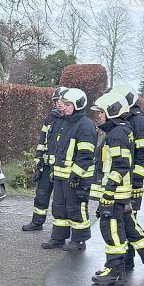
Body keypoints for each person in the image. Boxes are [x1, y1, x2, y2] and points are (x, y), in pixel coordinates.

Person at [110, 83, 144, 276]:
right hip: (121, 183)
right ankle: (127, 260)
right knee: (123, 223)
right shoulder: (122, 121)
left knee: (128, 222)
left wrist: (135, 179)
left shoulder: (138, 122)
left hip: (131, 184)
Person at [41, 88, 96, 251]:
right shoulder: (64, 122)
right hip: (60, 175)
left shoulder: (85, 126)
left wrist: (75, 176)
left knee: (76, 208)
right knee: (59, 207)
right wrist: (54, 170)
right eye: (62, 104)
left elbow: (85, 155)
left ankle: (79, 240)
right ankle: (58, 238)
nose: (62, 107)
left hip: (76, 178)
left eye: (67, 104)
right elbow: (58, 149)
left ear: (77, 105)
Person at [89, 93, 135, 286]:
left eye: (100, 112)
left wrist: (108, 191)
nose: (98, 116)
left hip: (115, 194)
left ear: (111, 112)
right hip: (115, 193)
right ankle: (116, 269)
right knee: (114, 229)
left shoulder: (117, 134)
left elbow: (120, 165)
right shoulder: (118, 131)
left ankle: (114, 271)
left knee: (111, 230)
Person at [23, 86, 68, 231]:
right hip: (47, 166)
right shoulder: (51, 118)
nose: (58, 103)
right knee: (41, 195)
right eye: (56, 100)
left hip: (63, 167)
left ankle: (62, 231)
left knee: (61, 201)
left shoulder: (72, 120)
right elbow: (42, 141)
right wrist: (38, 162)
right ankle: (37, 223)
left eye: (61, 100)